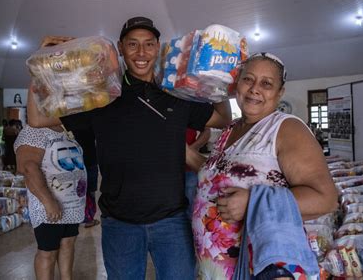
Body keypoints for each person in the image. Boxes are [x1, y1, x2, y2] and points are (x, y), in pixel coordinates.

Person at [27, 16, 232, 279]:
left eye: (148, 44)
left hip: (171, 222)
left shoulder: (176, 95)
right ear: (120, 48)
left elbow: (222, 119)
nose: (141, 52)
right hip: (119, 225)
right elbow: (37, 119)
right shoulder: (100, 97)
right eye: (132, 44)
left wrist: (218, 83)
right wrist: (41, 66)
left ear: (158, 48)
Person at [186, 53, 338, 279]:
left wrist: (253, 202)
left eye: (266, 84)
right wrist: (181, 149)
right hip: (215, 267)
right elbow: (215, 173)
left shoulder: (286, 129)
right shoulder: (231, 128)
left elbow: (325, 199)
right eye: (248, 79)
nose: (255, 89)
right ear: (237, 84)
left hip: (257, 266)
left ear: (280, 93)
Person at [15, 124, 86, 280]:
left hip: (72, 205)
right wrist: (48, 201)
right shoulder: (34, 130)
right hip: (49, 206)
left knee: (68, 244)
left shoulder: (65, 128)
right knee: (48, 251)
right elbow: (28, 167)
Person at [71, 128, 100, 228]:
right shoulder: (91, 121)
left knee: (78, 190)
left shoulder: (70, 122)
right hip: (90, 161)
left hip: (76, 162)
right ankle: (89, 219)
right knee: (90, 191)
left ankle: (76, 217)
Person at [185, 127, 210, 218]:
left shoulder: (189, 113)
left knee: (192, 205)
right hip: (167, 171)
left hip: (190, 168)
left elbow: (207, 131)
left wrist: (191, 149)